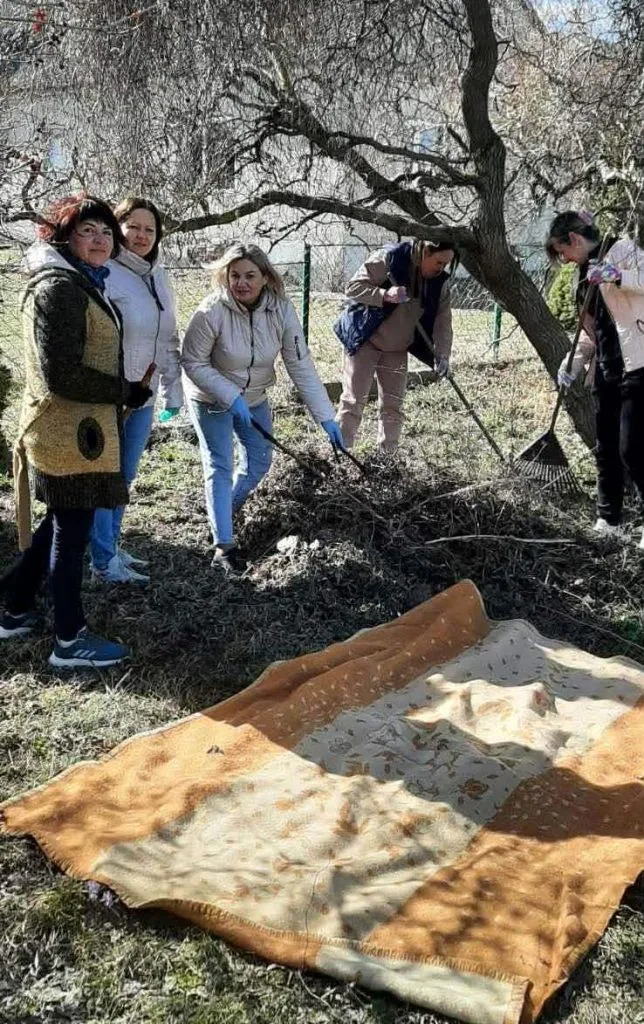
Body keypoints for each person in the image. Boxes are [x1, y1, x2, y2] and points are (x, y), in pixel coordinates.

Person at [0, 194, 153, 666]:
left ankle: (12, 606)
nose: (100, 239)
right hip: (66, 434)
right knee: (73, 532)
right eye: (88, 230)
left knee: (61, 522)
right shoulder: (59, 288)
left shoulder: (81, 280)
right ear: (63, 236)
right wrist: (124, 392)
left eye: (107, 231)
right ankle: (70, 639)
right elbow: (60, 373)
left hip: (79, 430)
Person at [181, 242, 342, 573]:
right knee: (220, 465)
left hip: (254, 397)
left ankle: (223, 509)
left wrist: (326, 417)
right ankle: (223, 547)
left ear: (266, 277)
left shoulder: (280, 310)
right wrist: (228, 394)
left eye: (250, 275)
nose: (241, 283)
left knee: (259, 461)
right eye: (234, 275)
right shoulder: (211, 312)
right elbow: (192, 361)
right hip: (210, 398)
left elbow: (300, 365)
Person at [90, 196, 182, 583]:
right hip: (112, 394)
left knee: (125, 476)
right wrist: (118, 386)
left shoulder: (157, 274)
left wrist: (172, 389)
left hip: (144, 392)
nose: (142, 235)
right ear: (118, 228)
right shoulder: (106, 272)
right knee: (105, 479)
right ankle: (101, 561)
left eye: (150, 229)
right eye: (133, 227)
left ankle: (111, 547)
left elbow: (167, 337)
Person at [546, 210, 644, 548]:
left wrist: (618, 275)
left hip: (639, 364)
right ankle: (609, 519)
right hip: (606, 368)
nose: (565, 259)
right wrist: (571, 363)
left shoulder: (623, 251)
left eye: (563, 251)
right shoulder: (581, 277)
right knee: (606, 448)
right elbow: (590, 333)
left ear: (574, 239)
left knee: (633, 449)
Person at [335, 238, 457, 450]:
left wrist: (443, 355)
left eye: (446, 264)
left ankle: (388, 459)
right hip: (366, 340)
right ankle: (341, 454)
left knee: (393, 406)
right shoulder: (389, 259)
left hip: (397, 349)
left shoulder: (439, 284)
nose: (442, 269)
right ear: (424, 252)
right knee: (353, 402)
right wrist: (384, 295)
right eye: (439, 262)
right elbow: (353, 288)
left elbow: (442, 321)